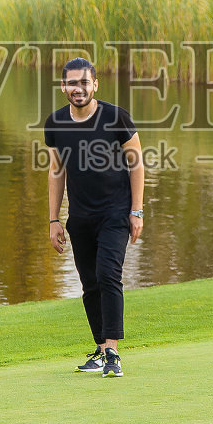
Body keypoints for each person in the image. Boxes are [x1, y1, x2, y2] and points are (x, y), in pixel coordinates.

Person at [44, 57, 144, 378]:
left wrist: (136, 211)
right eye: (72, 83)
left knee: (107, 275)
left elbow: (137, 164)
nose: (78, 88)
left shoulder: (116, 117)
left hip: (115, 214)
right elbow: (56, 171)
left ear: (95, 85)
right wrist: (53, 220)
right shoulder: (55, 123)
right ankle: (100, 350)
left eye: (84, 82)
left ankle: (113, 352)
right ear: (63, 87)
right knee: (89, 283)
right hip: (80, 218)